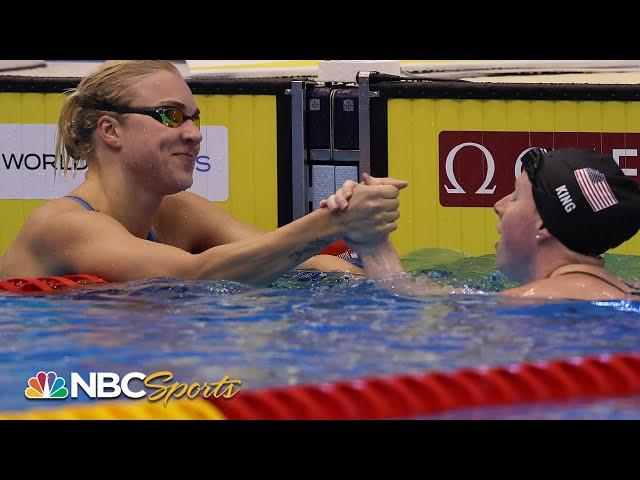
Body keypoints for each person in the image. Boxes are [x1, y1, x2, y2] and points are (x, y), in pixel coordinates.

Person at [0, 60, 406, 286]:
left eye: (195, 118)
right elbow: (196, 273)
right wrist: (325, 224)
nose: (193, 134)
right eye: (171, 116)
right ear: (110, 130)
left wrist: (369, 240)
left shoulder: (177, 212)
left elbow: (300, 262)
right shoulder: (62, 227)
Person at [323, 148, 640, 300]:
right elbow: (409, 292)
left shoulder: (532, 301)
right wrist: (372, 239)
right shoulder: (622, 290)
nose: (497, 206)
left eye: (515, 198)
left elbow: (409, 307)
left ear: (543, 225)